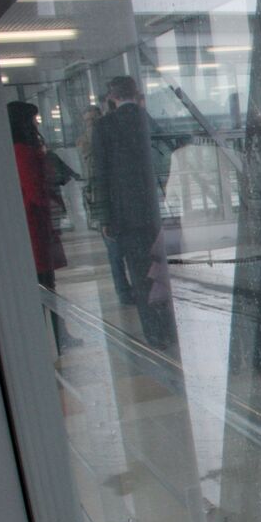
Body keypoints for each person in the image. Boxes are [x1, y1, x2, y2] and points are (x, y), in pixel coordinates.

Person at [91, 76, 177, 349]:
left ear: (111, 98)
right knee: (164, 271)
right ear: (137, 93)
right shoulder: (147, 120)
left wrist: (105, 217)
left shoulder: (103, 126)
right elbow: (167, 154)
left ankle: (154, 333)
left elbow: (100, 175)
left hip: (125, 215)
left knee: (141, 275)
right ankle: (170, 328)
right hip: (156, 209)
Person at [7, 101, 81, 352]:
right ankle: (53, 338)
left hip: (35, 227)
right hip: (35, 228)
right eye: (33, 120)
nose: (36, 124)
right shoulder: (23, 152)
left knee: (46, 284)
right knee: (45, 285)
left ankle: (57, 337)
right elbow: (36, 192)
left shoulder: (18, 150)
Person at [78, 104, 132, 302]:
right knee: (114, 251)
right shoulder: (86, 143)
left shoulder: (108, 139)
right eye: (89, 122)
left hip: (117, 198)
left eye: (95, 120)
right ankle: (123, 290)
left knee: (123, 249)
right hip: (102, 201)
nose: (92, 125)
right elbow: (94, 171)